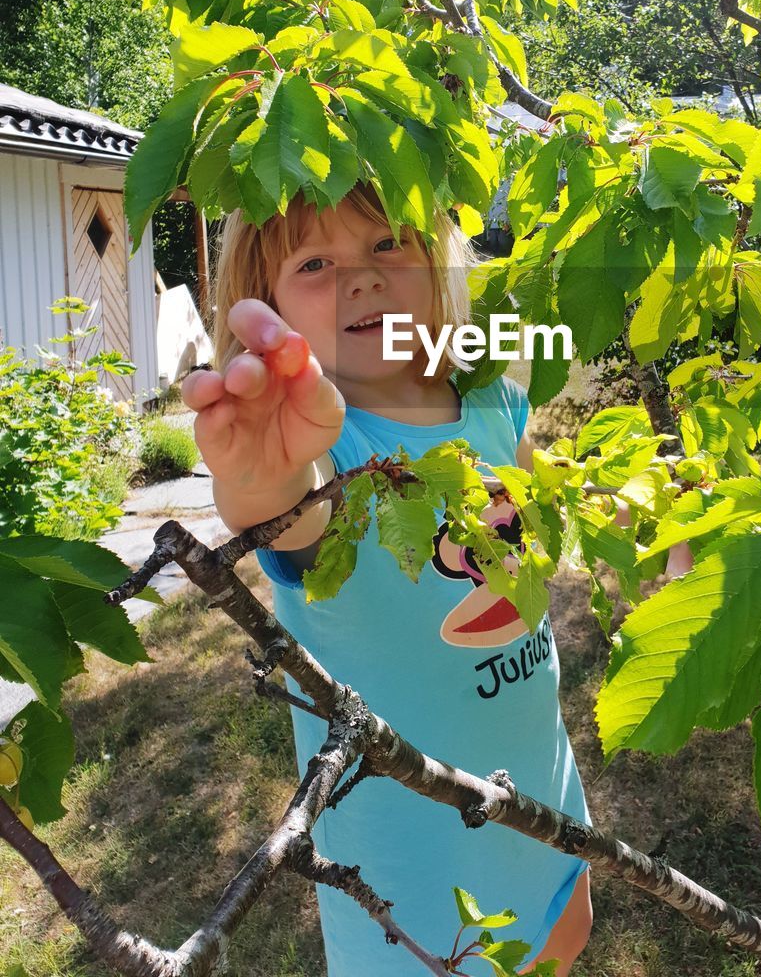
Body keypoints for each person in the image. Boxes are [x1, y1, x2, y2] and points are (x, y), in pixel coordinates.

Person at [181, 185, 595, 977]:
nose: (359, 279)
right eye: (315, 264)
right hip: (414, 875)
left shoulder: (492, 399)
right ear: (266, 308)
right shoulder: (328, 457)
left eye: (386, 245)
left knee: (561, 941)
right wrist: (258, 473)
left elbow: (535, 545)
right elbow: (284, 508)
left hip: (544, 800)